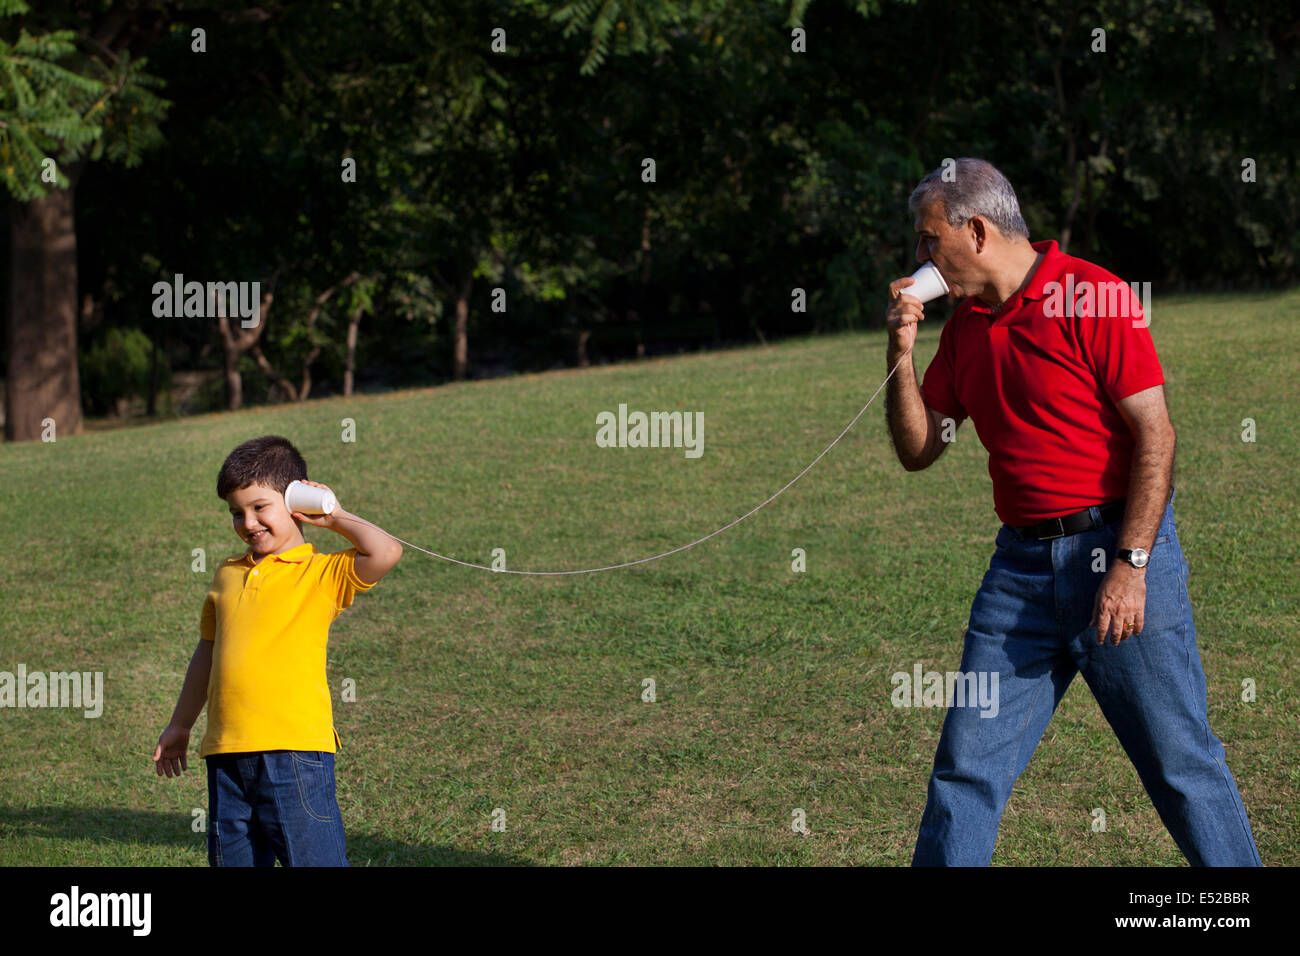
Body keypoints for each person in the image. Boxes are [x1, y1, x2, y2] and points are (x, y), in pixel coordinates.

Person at [884, 157, 1261, 866]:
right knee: (965, 772)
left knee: (1181, 769)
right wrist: (900, 354)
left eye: (929, 239)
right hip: (1018, 579)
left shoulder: (1093, 295)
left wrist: (1131, 565)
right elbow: (919, 448)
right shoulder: (965, 328)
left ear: (976, 230)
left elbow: (1158, 434)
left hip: (1115, 556)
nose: (921, 257)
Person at [152, 435, 402, 866]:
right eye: (236, 512)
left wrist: (334, 515)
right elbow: (206, 655)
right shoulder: (227, 574)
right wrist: (180, 724)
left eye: (259, 507)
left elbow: (386, 551)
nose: (248, 522)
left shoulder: (321, 572)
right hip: (226, 754)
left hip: (295, 755)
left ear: (294, 500)